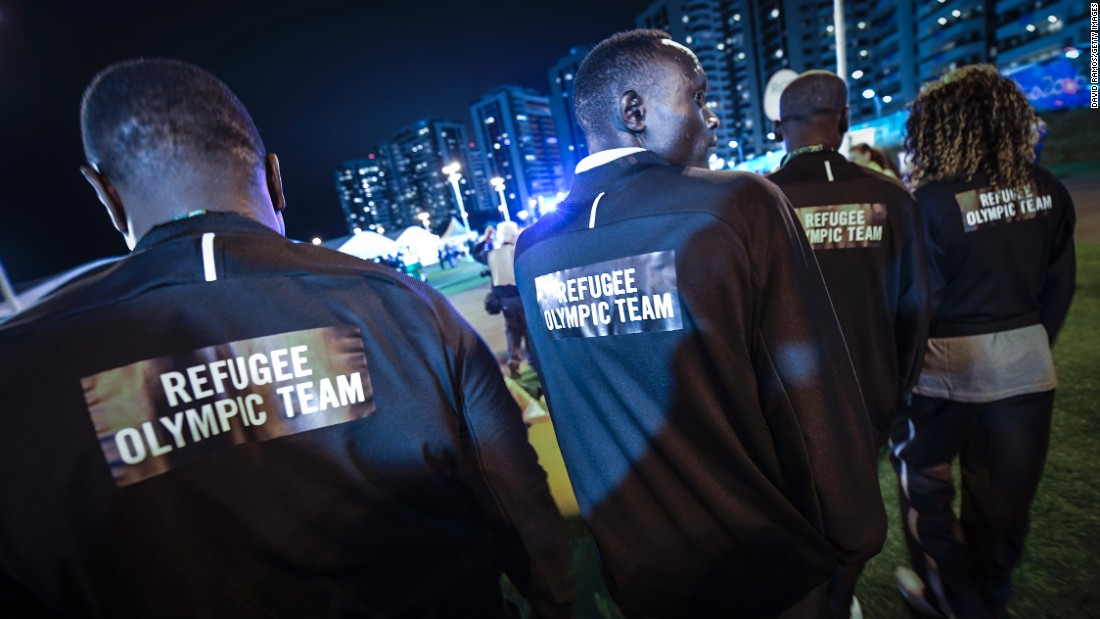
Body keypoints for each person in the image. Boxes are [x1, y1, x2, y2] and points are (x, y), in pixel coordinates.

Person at [0, 58, 573, 618]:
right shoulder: (401, 305)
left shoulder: (25, 379)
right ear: (274, 178)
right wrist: (553, 598)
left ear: (107, 195)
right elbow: (516, 501)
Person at [513, 29, 886, 619]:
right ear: (633, 110)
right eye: (697, 96)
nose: (712, 120)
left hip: (641, 574)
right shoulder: (737, 204)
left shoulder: (534, 251)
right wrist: (854, 530)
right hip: (766, 563)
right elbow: (807, 389)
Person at [891, 64, 1076, 619]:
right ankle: (990, 599)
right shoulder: (1048, 188)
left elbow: (919, 301)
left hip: (942, 373)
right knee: (1005, 502)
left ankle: (954, 599)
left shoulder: (928, 201)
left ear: (938, 127)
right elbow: (1058, 286)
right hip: (1026, 366)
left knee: (926, 488)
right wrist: (1026, 343)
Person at [767, 70, 931, 619]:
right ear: (842, 120)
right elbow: (918, 309)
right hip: (868, 399)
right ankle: (837, 599)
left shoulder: (757, 204)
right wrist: (898, 388)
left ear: (781, 127)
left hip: (783, 404)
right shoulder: (891, 198)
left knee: (794, 514)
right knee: (856, 514)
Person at [486, 221, 528, 377]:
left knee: (512, 332)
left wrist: (486, 237)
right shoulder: (516, 251)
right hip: (519, 297)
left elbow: (475, 251)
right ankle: (534, 363)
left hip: (504, 301)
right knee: (528, 332)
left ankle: (514, 360)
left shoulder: (491, 254)